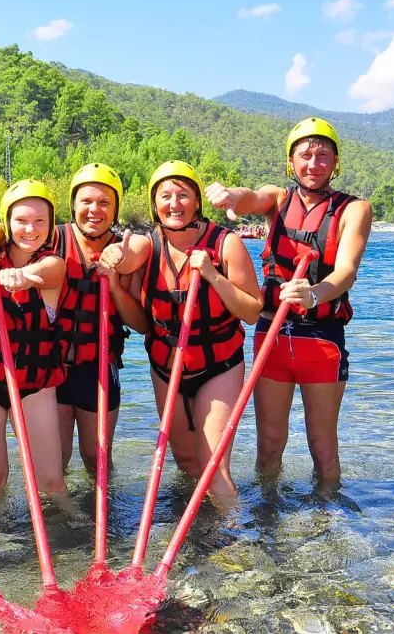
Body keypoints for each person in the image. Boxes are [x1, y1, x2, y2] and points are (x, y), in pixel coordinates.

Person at [204, 117, 373, 489]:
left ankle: (328, 523)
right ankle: (267, 517)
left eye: (324, 156)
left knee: (322, 445)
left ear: (336, 163)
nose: (314, 164)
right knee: (268, 445)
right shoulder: (277, 199)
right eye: (305, 155)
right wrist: (230, 195)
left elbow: (346, 270)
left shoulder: (355, 209)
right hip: (273, 336)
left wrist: (314, 294)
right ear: (291, 163)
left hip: (322, 339)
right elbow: (249, 197)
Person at [0, 163, 147, 474]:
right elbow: (4, 229)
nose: (94, 210)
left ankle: (103, 516)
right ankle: (56, 520)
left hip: (98, 367)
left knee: (96, 460)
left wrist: (116, 271)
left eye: (104, 203)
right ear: (73, 205)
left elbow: (141, 320)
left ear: (115, 209)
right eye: (86, 201)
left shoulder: (128, 246)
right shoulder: (50, 237)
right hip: (52, 366)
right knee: (55, 463)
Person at [100, 161, 262, 502]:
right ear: (155, 204)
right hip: (166, 366)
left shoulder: (226, 244)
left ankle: (234, 545)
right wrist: (115, 254)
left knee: (212, 466)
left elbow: (251, 312)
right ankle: (197, 538)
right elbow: (128, 258)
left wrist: (214, 276)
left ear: (197, 202)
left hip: (219, 366)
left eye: (183, 195)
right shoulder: (149, 245)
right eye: (165, 196)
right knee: (187, 462)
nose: (174, 204)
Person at [0, 179, 69, 495]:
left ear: (50, 227)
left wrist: (22, 278)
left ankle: (69, 532)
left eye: (40, 221)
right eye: (20, 220)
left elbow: (48, 271)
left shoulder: (54, 264)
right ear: (8, 223)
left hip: (35, 386)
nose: (30, 229)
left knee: (51, 482)